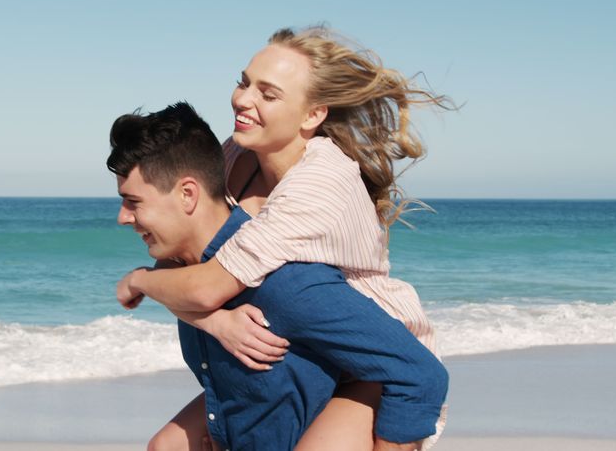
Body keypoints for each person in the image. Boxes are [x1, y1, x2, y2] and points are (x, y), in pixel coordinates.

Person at [117, 26, 451, 450]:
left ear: (312, 115)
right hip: (294, 350)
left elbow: (204, 286)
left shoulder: (320, 184)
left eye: (268, 94)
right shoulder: (237, 155)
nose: (242, 99)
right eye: (244, 82)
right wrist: (218, 322)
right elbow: (187, 260)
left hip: (369, 359)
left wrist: (138, 281)